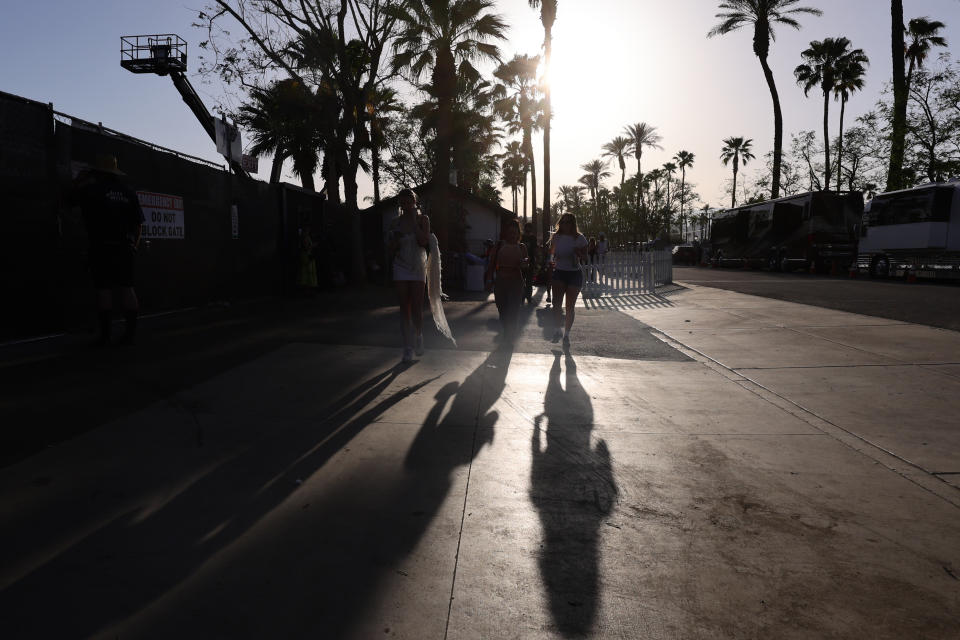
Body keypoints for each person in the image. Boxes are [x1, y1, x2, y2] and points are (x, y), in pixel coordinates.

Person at [68, 154, 145, 346]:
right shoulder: (128, 192)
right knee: (127, 288)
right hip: (124, 247)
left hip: (100, 246)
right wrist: (134, 245)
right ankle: (130, 335)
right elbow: (138, 225)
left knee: (103, 290)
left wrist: (78, 181)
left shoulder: (90, 190)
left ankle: (105, 336)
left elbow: (67, 200)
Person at [386, 188, 431, 362]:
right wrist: (395, 241)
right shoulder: (395, 222)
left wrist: (413, 221)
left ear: (414, 202)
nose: (405, 206)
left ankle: (419, 336)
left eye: (408, 202)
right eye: (402, 203)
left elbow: (423, 241)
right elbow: (389, 249)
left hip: (418, 266)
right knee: (404, 307)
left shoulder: (423, 219)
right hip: (401, 265)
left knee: (417, 308)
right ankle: (407, 347)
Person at [485, 219, 528, 345]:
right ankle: (506, 331)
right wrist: (488, 279)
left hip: (516, 282)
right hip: (501, 282)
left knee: (513, 311)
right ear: (506, 233)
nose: (512, 235)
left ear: (518, 234)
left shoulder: (522, 247)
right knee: (502, 311)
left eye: (515, 233)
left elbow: (526, 264)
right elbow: (492, 263)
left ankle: (509, 337)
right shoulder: (499, 245)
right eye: (510, 232)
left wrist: (524, 263)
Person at [548, 213, 588, 344]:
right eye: (563, 222)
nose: (566, 225)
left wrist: (579, 253)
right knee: (556, 304)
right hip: (559, 272)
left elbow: (585, 258)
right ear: (560, 223)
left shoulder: (580, 238)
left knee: (570, 306)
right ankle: (557, 330)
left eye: (569, 222)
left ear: (573, 223)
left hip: (574, 274)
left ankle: (566, 335)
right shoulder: (556, 237)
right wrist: (552, 261)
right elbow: (551, 255)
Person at [520, 222, 538, 304]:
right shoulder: (521, 237)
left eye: (529, 229)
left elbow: (534, 250)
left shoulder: (533, 238)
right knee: (522, 280)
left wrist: (535, 260)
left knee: (529, 281)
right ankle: (522, 297)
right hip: (522, 261)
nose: (528, 230)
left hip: (530, 262)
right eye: (527, 228)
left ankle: (528, 297)